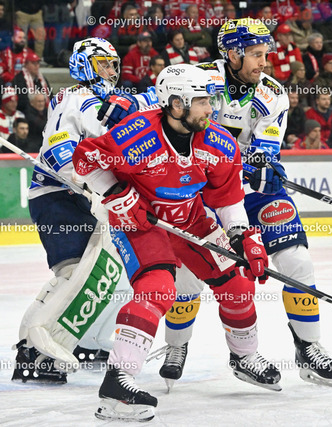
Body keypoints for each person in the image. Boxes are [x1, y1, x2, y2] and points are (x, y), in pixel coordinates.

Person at [73, 64, 279, 421]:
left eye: (210, 99)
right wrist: (116, 192)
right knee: (158, 289)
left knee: (238, 283)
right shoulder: (136, 136)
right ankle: (117, 383)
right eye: (201, 101)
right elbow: (85, 160)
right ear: (175, 103)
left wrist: (242, 236)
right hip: (139, 221)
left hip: (189, 217)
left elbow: (227, 198)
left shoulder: (217, 142)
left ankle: (244, 357)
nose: (210, 108)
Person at [151, 18, 332, 389]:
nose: (263, 62)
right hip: (202, 192)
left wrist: (266, 165)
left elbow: (266, 148)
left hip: (252, 191)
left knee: (298, 262)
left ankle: (309, 348)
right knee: (191, 276)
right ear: (233, 54)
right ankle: (177, 346)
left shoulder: (272, 93)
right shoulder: (200, 80)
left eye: (264, 54)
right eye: (255, 54)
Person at [12, 37, 156, 385]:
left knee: (114, 275)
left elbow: (152, 101)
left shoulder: (109, 103)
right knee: (75, 274)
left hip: (89, 199)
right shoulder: (72, 99)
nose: (111, 70)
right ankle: (34, 351)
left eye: (113, 64)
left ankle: (86, 340)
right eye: (103, 64)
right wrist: (90, 185)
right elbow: (58, 150)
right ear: (84, 66)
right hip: (58, 195)